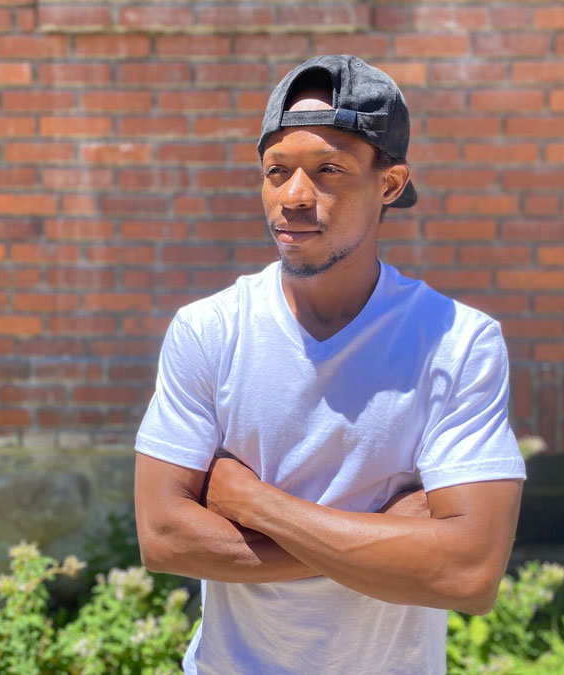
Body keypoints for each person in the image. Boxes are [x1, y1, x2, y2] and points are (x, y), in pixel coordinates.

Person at [133, 54, 526, 674]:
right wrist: (387, 537)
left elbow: (468, 572)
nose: (293, 196)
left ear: (389, 185)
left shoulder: (456, 342)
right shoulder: (210, 330)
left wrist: (255, 503)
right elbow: (163, 538)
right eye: (276, 170)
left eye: (328, 170)